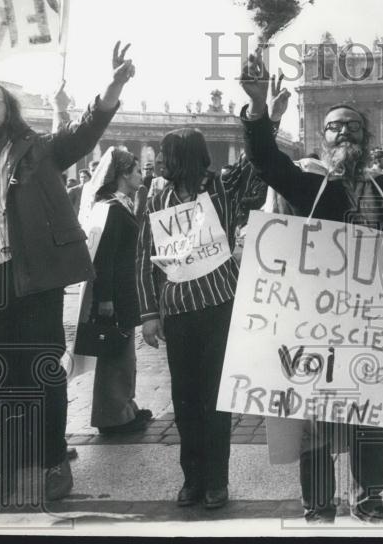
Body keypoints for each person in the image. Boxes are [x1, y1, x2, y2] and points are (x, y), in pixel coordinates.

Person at [0, 42, 135, 515]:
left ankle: (51, 462)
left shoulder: (37, 150)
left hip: (35, 276)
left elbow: (83, 134)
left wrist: (113, 86)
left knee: (42, 371)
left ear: (10, 110)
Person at [240, 55, 383, 523]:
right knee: (315, 417)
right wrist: (258, 110)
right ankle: (317, 503)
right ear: (322, 137)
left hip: (375, 321)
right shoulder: (306, 182)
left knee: (373, 415)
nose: (343, 133)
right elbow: (265, 161)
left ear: (366, 137)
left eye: (353, 126)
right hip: (316, 318)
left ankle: (368, 496)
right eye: (334, 127)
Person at [135, 97, 266, 510]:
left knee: (215, 397)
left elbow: (254, 161)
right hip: (177, 311)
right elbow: (143, 259)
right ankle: (191, 478)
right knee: (185, 398)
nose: (156, 160)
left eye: (163, 154)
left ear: (181, 158)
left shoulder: (223, 191)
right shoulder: (156, 201)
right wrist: (149, 315)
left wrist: (264, 113)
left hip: (219, 307)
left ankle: (216, 480)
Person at [78, 147, 154, 435]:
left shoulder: (115, 204)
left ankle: (125, 407)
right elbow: (104, 257)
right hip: (115, 294)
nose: (141, 176)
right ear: (123, 174)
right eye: (136, 171)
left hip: (122, 291)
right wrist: (105, 297)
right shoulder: (112, 208)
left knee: (123, 352)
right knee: (115, 354)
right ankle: (113, 416)